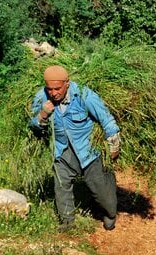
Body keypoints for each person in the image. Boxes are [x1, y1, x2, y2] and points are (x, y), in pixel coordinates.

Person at [29, 65, 120, 232]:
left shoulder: (85, 95)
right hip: (62, 150)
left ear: (67, 84)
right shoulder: (41, 98)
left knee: (101, 191)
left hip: (88, 150)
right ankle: (67, 223)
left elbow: (106, 120)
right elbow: (34, 126)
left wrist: (114, 145)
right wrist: (42, 115)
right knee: (61, 186)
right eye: (50, 89)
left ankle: (110, 213)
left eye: (57, 88)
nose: (53, 93)